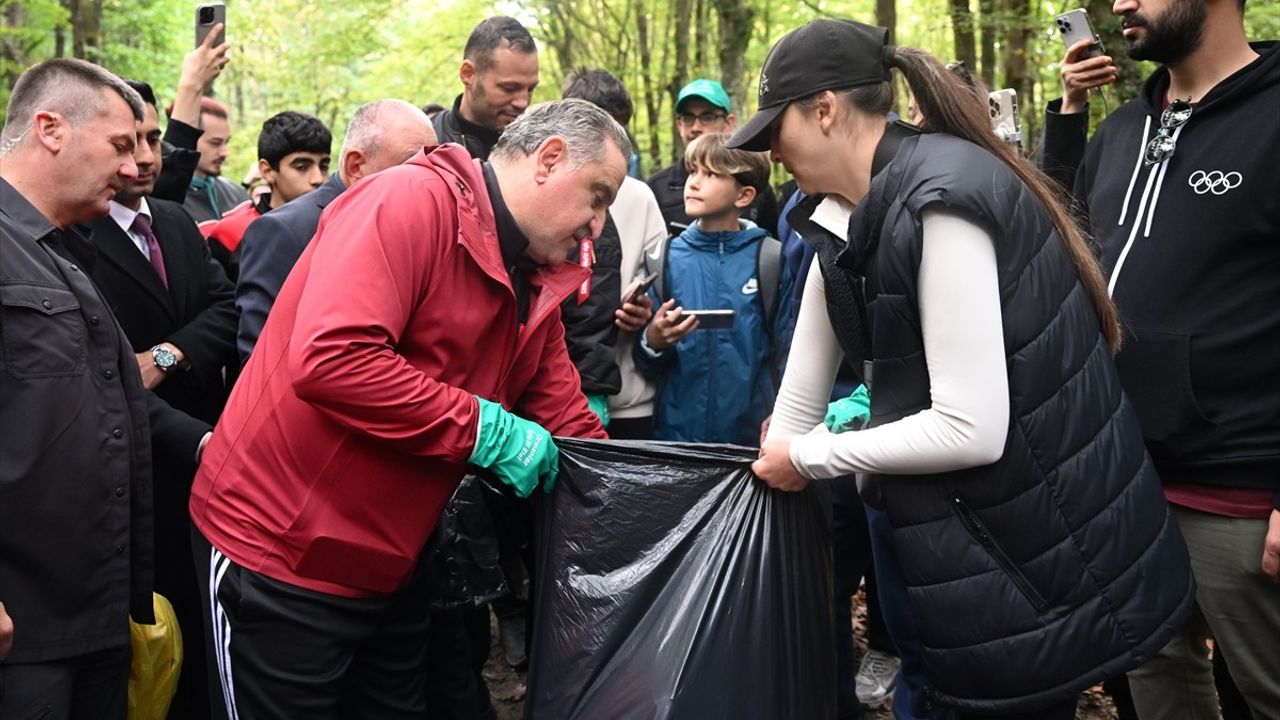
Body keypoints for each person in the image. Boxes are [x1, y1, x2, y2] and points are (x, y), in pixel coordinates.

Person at [740, 19, 1195, 719]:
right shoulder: (837, 216)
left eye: (777, 129)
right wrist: (786, 442)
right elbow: (799, 398)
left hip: (1039, 555)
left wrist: (807, 452)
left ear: (825, 110)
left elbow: (971, 428)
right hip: (955, 542)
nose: (770, 152)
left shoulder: (943, 199)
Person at [188, 98, 629, 719]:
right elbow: (333, 359)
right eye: (598, 196)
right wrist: (486, 429)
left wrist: (641, 494)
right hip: (281, 553)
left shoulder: (532, 276)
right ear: (548, 159)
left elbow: (567, 418)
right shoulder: (409, 201)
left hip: (394, 561)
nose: (599, 225)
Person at [1037, 0, 1280, 716]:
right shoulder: (1122, 129)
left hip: (1240, 489)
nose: (1118, 5)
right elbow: (1060, 243)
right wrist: (1070, 112)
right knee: (1155, 683)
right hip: (1124, 481)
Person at [0, 58, 209, 720]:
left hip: (97, 608)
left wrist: (214, 446)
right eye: (120, 145)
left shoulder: (65, 253)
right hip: (21, 628)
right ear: (51, 129)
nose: (133, 167)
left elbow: (115, 396)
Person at [78, 78, 237, 720]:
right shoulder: (73, 240)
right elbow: (103, 373)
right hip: (130, 469)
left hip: (204, 454)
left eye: (151, 139)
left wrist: (164, 357)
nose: (146, 157)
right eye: (131, 141)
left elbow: (226, 304)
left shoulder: (174, 221)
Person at [235, 99, 436, 360]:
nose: (430, 177)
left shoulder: (418, 224)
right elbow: (261, 358)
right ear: (356, 166)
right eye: (412, 166)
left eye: (435, 163)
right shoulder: (284, 230)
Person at [635, 132, 795, 446]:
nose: (693, 183)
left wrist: (783, 419)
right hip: (676, 442)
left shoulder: (771, 259)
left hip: (750, 442)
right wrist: (652, 340)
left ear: (744, 196)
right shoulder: (663, 258)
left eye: (711, 174)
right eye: (692, 171)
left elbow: (788, 352)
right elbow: (645, 362)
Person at [561, 67, 666, 441]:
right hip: (553, 399)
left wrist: (643, 307)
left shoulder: (639, 197)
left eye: (622, 134)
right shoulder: (544, 195)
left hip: (629, 398)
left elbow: (659, 280)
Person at [200, 110, 331, 280]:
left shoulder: (335, 225)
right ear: (268, 171)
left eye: (324, 166)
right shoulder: (232, 234)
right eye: (301, 166)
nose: (318, 179)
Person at [646, 78, 778, 237]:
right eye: (688, 118)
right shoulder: (656, 188)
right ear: (679, 124)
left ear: (729, 122)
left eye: (707, 117)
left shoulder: (753, 184)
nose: (695, 127)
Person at [431, 16, 539, 160]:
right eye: (509, 88)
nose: (523, 102)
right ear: (468, 74)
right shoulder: (426, 144)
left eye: (530, 89)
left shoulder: (538, 151)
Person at [182, 96, 249, 223]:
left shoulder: (237, 194)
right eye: (215, 143)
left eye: (226, 142)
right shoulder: (167, 200)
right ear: (188, 138)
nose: (225, 153)